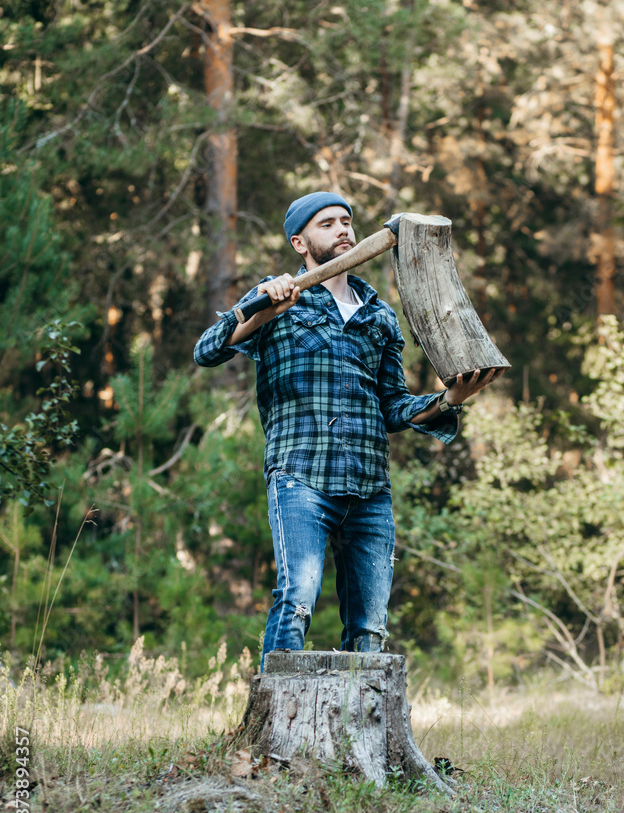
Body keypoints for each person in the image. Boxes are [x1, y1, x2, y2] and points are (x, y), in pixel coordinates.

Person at [194, 192, 496, 668]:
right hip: (301, 477)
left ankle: (362, 738)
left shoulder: (379, 315)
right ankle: (277, 730)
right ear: (300, 242)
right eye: (327, 223)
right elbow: (206, 350)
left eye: (346, 222)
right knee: (296, 598)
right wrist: (263, 310)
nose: (342, 230)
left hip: (369, 486)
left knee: (370, 628)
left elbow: (393, 407)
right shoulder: (279, 302)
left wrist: (449, 400)